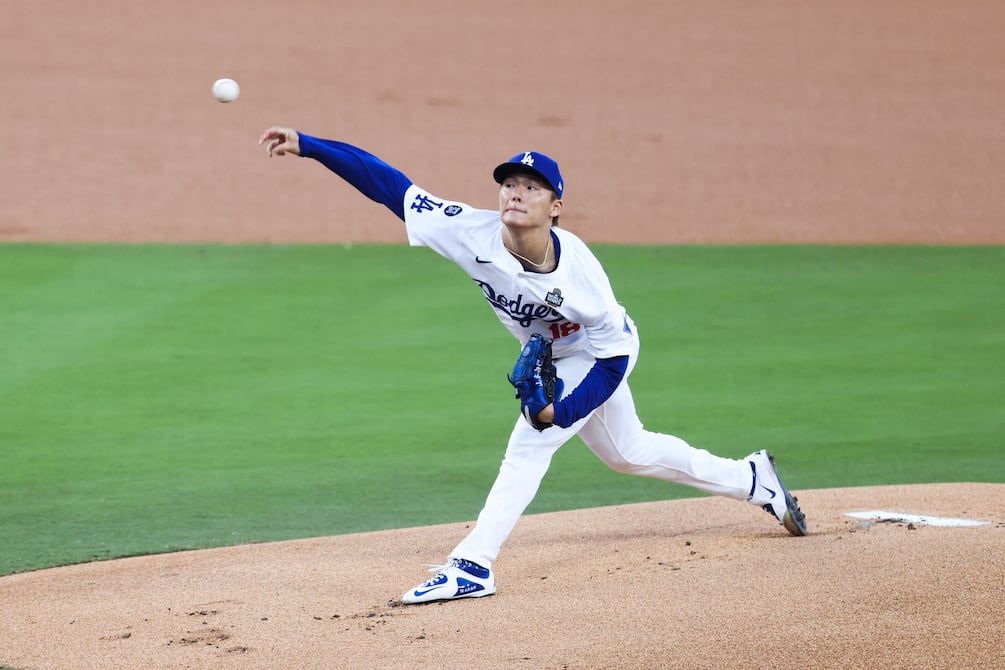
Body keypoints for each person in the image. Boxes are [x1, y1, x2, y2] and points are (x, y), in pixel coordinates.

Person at [258, 127, 808, 605]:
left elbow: (614, 358)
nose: (516, 192)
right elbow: (388, 184)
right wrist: (309, 146)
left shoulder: (581, 276)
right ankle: (752, 478)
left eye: (531, 187)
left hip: (598, 352)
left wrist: (560, 412)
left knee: (530, 441)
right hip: (555, 354)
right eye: (509, 184)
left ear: (555, 207)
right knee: (629, 452)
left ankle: (473, 565)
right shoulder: (467, 230)